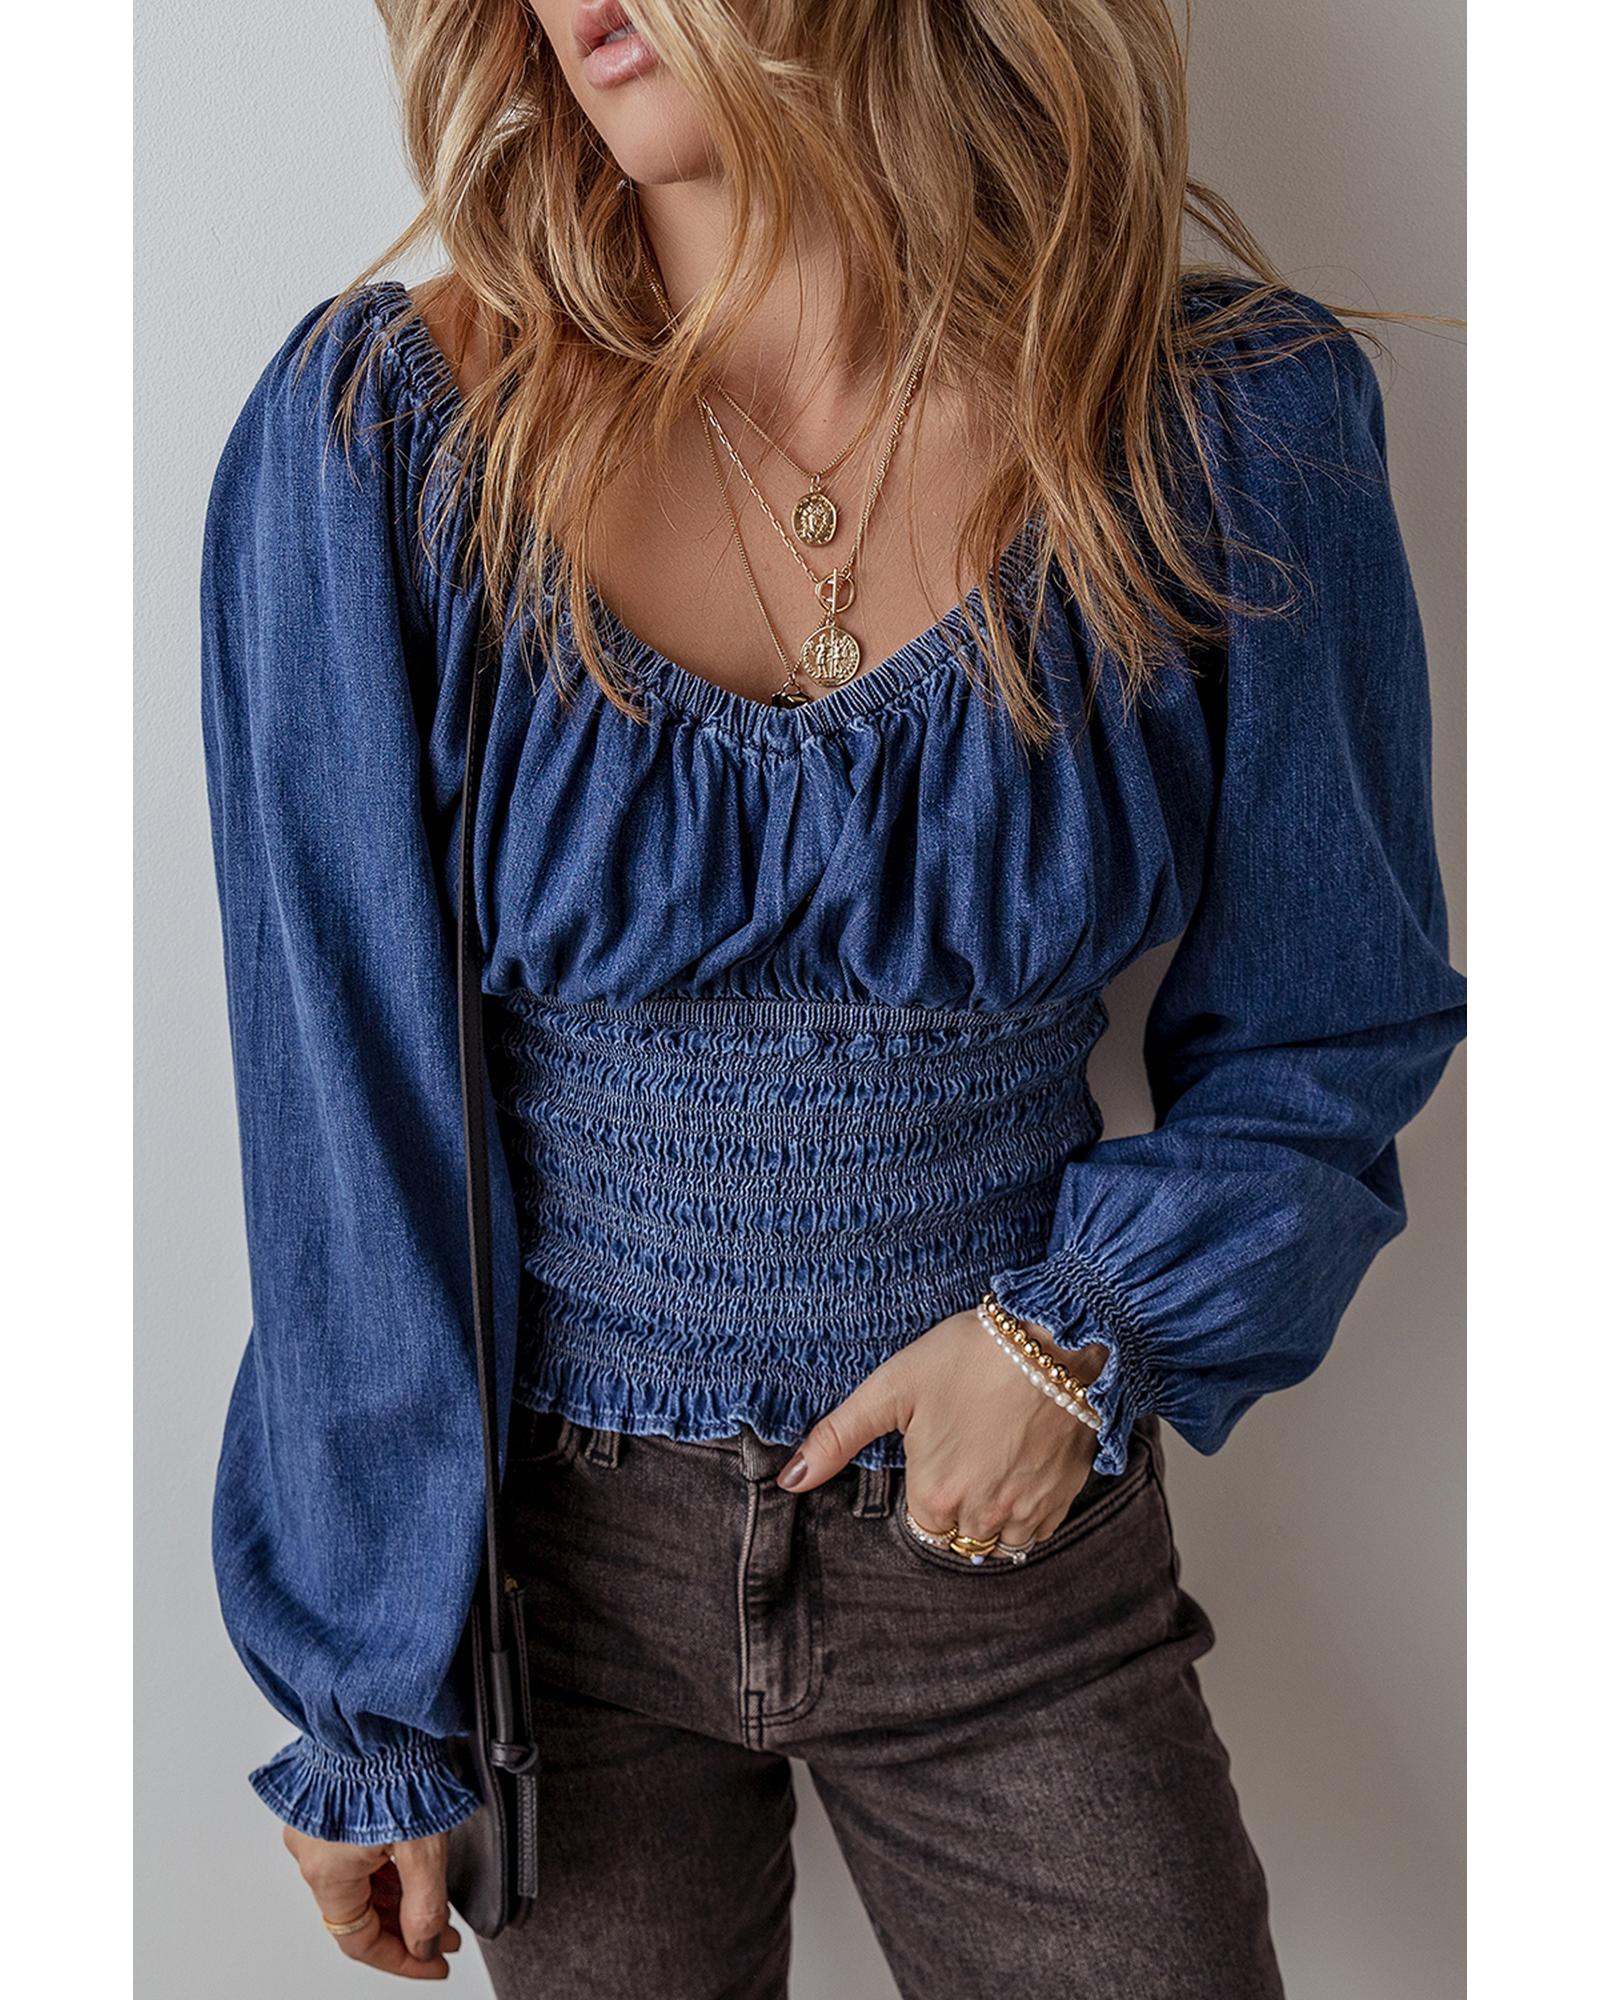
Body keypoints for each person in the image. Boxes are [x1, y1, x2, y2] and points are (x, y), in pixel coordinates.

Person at [198, 2, 1467, 1992]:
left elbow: (1331, 1024)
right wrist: (370, 1690)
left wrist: (1081, 1339)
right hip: (552, 1599)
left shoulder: (1226, 425)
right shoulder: (391, 438)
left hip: (1007, 1564)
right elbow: (340, 1124)